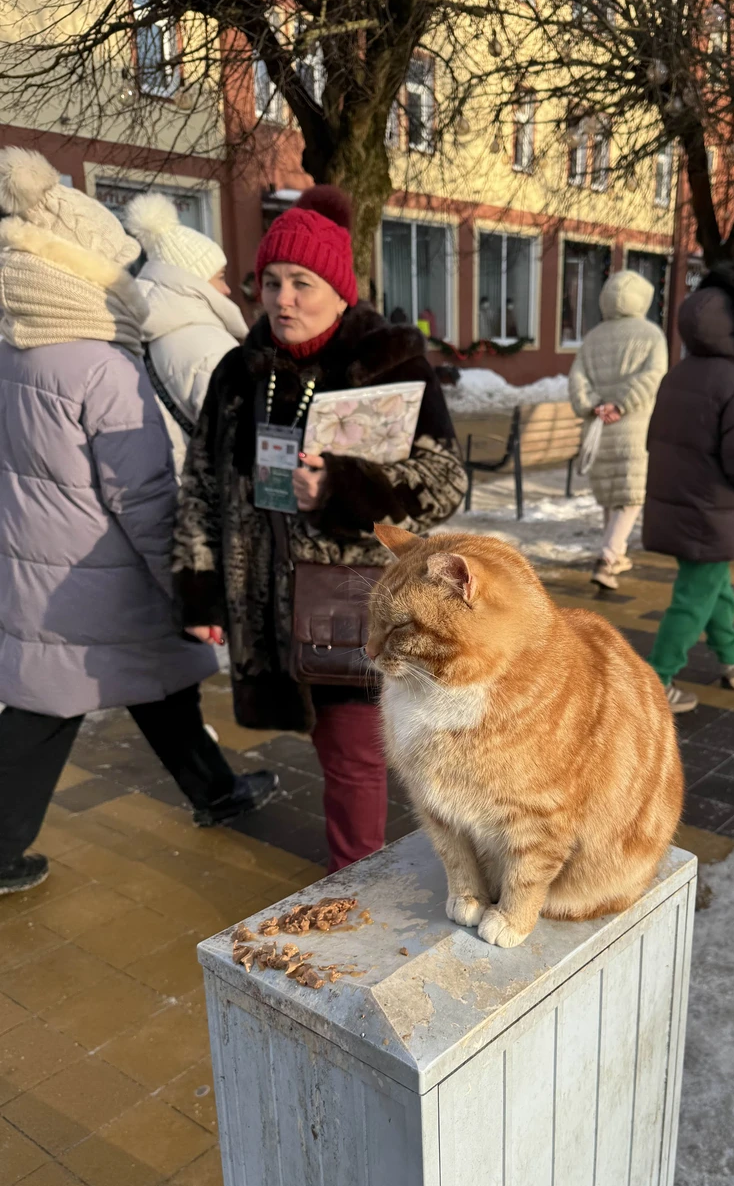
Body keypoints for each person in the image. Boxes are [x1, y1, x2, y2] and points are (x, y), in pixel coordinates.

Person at [0, 149, 275, 895]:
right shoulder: (101, 368)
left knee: (155, 684)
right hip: (100, 569)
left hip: (42, 559)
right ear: (86, 276)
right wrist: (192, 586)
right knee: (47, 708)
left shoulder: (18, 354)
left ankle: (214, 791)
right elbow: (145, 495)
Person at [174, 186, 467, 872]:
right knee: (332, 750)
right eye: (271, 282)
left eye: (303, 283)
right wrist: (201, 591)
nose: (283, 299)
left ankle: (354, 885)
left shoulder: (388, 361)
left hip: (351, 605)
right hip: (264, 607)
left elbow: (446, 480)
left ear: (340, 289)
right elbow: (202, 485)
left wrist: (342, 488)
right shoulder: (238, 372)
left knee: (354, 755)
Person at [642, 264, 734, 714]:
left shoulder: (677, 376)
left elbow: (654, 442)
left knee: (713, 587)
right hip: (714, 510)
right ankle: (656, 683)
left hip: (682, 504)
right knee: (694, 597)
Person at [126, 192, 248, 477]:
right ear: (193, 280)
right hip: (205, 501)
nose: (227, 290)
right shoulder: (213, 349)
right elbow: (240, 446)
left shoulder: (133, 331)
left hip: (159, 486)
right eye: (220, 277)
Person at [568, 270, 668, 591]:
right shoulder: (651, 334)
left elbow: (577, 380)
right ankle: (608, 558)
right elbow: (654, 376)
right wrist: (621, 403)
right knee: (631, 496)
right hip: (634, 428)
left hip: (597, 427)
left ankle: (616, 552)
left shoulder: (593, 337)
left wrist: (596, 404)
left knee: (612, 496)